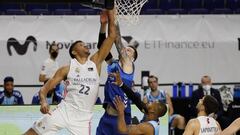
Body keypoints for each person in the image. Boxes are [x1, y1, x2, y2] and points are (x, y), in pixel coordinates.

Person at [24, 8, 116, 135]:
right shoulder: (66, 68)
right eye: (81, 44)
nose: (85, 45)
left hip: (83, 118)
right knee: (31, 132)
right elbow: (44, 89)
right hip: (65, 111)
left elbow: (111, 36)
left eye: (85, 44)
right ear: (74, 52)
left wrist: (106, 21)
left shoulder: (95, 62)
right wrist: (44, 101)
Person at [96, 12, 138, 135]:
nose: (126, 49)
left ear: (133, 59)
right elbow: (101, 46)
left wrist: (113, 16)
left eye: (129, 50)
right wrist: (103, 25)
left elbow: (117, 39)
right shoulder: (114, 64)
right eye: (127, 48)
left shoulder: (129, 65)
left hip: (121, 118)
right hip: (106, 117)